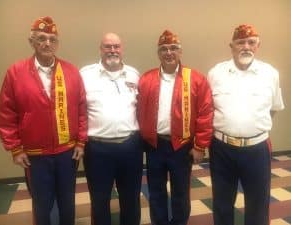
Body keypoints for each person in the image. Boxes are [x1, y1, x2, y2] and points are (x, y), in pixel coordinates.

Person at [0, 16, 87, 225]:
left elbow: (82, 108)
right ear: (32, 42)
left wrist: (81, 142)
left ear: (57, 43)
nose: (48, 43)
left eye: (52, 39)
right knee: (41, 203)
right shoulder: (16, 72)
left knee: (67, 201)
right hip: (35, 155)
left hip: (67, 152)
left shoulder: (71, 71)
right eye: (42, 38)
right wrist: (15, 148)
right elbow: (6, 114)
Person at [207, 24, 285, 225]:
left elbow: (274, 108)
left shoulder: (270, 74)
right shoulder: (216, 73)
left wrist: (252, 128)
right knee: (222, 204)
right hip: (222, 149)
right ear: (231, 46)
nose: (246, 47)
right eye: (240, 42)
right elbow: (208, 109)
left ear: (258, 45)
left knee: (258, 204)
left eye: (251, 42)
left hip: (257, 150)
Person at [137, 30, 214, 225]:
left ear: (180, 52)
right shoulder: (147, 79)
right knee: (155, 191)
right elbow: (138, 110)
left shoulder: (195, 79)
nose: (168, 52)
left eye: (173, 48)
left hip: (182, 146)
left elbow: (206, 113)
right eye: (163, 49)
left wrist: (200, 146)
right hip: (155, 146)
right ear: (158, 53)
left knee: (180, 191)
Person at [80, 32, 143, 225]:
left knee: (131, 198)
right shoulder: (85, 74)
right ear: (100, 49)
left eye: (116, 46)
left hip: (130, 146)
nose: (112, 50)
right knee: (99, 199)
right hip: (97, 149)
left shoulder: (134, 74)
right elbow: (77, 109)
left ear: (122, 49)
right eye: (108, 46)